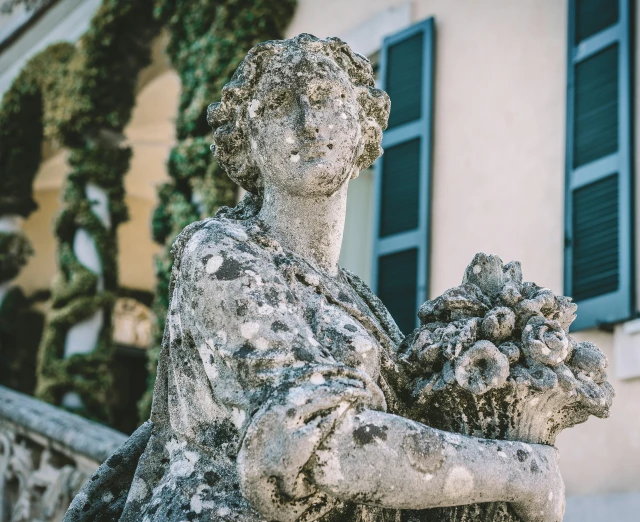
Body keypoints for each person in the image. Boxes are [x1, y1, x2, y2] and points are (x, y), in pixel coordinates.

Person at [66, 34, 564, 522]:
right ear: (247, 140)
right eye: (280, 103)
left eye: (327, 98)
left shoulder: (362, 303)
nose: (307, 122)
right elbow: (311, 442)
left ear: (363, 126)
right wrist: (519, 472)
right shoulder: (219, 252)